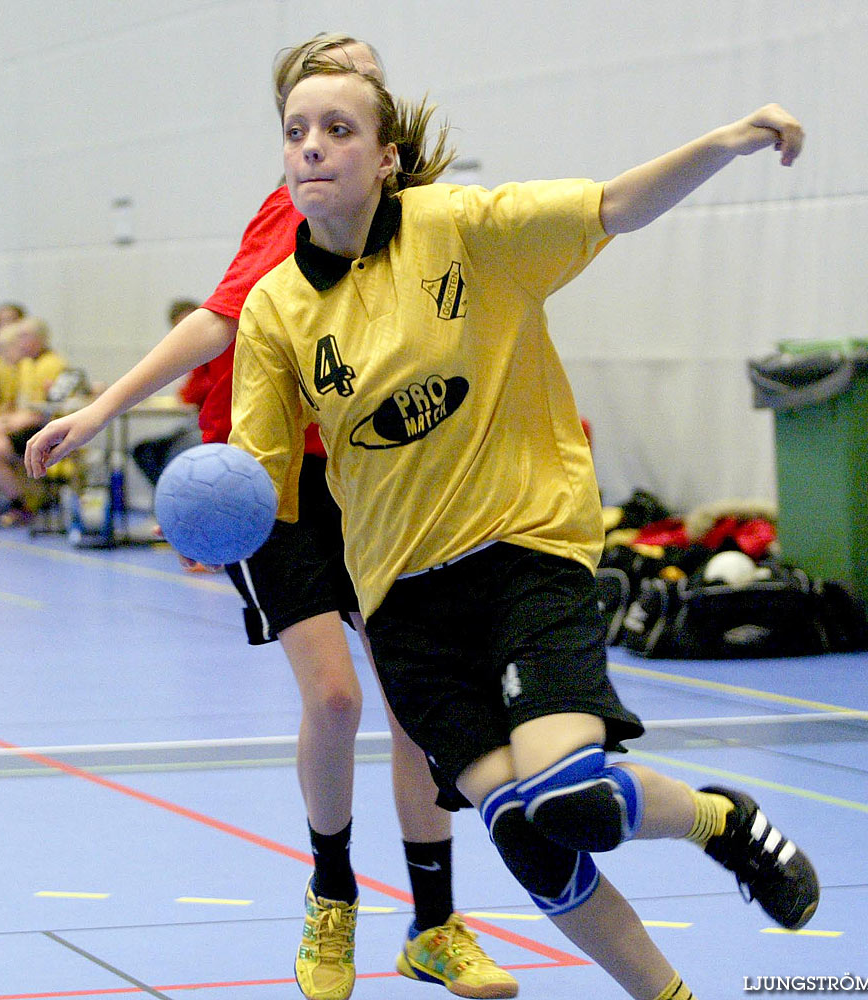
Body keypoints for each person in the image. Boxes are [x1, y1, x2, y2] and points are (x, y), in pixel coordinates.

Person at [226, 55, 817, 1000]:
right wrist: (220, 510)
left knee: (570, 799)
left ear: (386, 157)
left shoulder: (464, 229)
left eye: (338, 129)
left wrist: (723, 141)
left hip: (521, 556)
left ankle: (722, 821)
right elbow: (261, 480)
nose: (312, 147)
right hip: (403, 608)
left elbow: (611, 207)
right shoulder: (276, 308)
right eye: (296, 131)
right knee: (524, 837)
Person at [26, 34, 517, 1000]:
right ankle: (330, 899)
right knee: (333, 699)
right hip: (273, 485)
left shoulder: (424, 221)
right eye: (303, 111)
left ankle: (434, 925)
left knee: (415, 703)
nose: (319, 131)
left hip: (383, 485)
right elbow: (217, 319)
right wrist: (98, 412)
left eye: (357, 77)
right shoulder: (294, 206)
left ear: (380, 119)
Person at [0, 317, 67, 526]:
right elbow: (20, 408)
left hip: (46, 429)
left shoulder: (52, 364)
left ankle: (19, 505)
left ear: (40, 338)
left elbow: (40, 413)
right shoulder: (28, 365)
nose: (20, 342)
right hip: (27, 425)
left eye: (24, 336)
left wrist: (1, 427)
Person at [128, 299, 207, 489]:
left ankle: (173, 497)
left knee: (174, 457)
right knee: (144, 451)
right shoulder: (195, 352)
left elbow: (193, 394)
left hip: (213, 426)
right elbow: (189, 393)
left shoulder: (212, 347)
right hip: (199, 422)